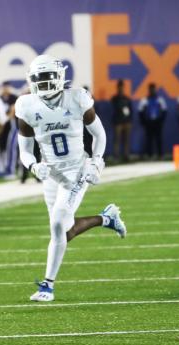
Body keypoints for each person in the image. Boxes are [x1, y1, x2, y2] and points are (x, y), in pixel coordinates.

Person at [14, 55, 126, 302]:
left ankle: (47, 286)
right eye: (38, 80)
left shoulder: (77, 98)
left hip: (76, 169)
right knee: (62, 230)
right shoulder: (26, 105)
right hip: (51, 175)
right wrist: (33, 165)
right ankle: (106, 218)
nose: (43, 84)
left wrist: (96, 162)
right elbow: (24, 149)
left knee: (57, 223)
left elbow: (99, 135)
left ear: (59, 78)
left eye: (47, 79)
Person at [138, 83, 167, 159]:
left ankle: (160, 155)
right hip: (149, 122)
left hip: (157, 122)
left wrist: (160, 121)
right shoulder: (145, 100)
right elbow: (140, 112)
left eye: (153, 89)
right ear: (149, 90)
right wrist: (144, 122)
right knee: (149, 139)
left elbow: (164, 111)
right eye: (151, 89)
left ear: (155, 89)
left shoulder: (160, 99)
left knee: (159, 139)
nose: (152, 91)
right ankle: (149, 155)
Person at [110, 80, 132, 162]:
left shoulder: (126, 98)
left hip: (126, 122)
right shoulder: (114, 99)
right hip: (118, 122)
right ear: (117, 87)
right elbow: (113, 109)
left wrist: (129, 121)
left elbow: (130, 110)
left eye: (122, 86)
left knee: (126, 140)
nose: (121, 88)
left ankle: (126, 156)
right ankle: (116, 156)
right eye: (119, 86)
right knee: (117, 140)